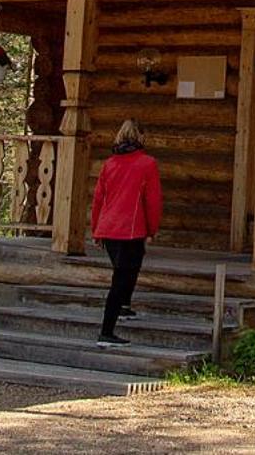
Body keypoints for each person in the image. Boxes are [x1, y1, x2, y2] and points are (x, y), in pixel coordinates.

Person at [89, 117, 164, 344]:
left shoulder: (110, 163)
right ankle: (106, 331)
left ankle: (124, 306)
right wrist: (152, 229)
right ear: (142, 136)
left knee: (127, 270)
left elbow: (98, 199)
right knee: (121, 277)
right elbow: (153, 200)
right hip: (131, 228)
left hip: (109, 227)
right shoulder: (147, 164)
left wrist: (96, 230)